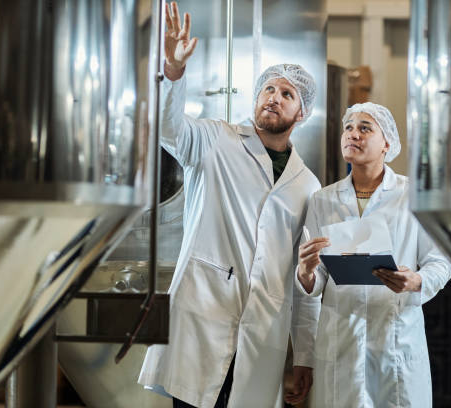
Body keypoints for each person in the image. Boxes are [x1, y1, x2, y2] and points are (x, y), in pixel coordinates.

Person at [138, 2, 320, 407]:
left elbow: (305, 279)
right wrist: (173, 70)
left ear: (302, 112)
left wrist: (305, 355)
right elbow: (169, 129)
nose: (274, 97)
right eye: (268, 89)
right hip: (203, 316)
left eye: (286, 94)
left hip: (261, 335)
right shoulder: (214, 140)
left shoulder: (307, 185)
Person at [291, 102, 451, 407]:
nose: (353, 134)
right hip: (340, 343)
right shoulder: (323, 200)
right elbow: (315, 284)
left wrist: (416, 280)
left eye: (365, 128)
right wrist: (306, 273)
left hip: (395, 339)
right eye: (348, 127)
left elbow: (442, 261)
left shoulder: (413, 196)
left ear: (387, 144)